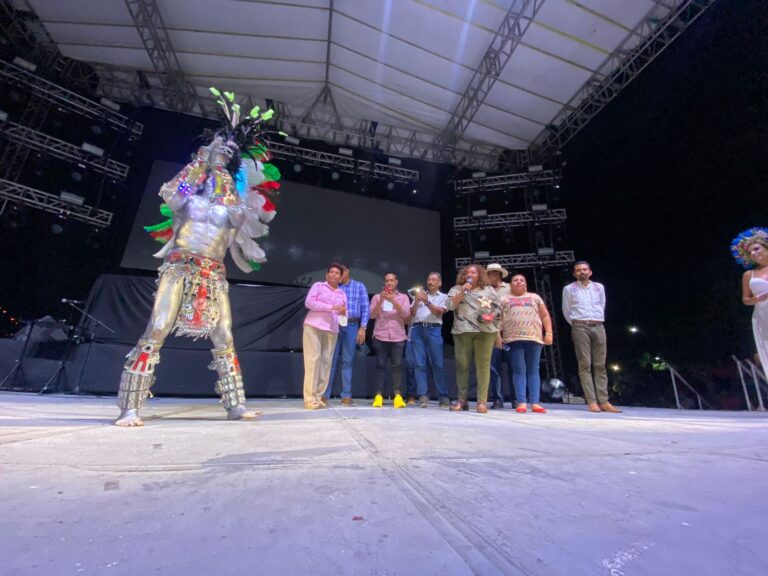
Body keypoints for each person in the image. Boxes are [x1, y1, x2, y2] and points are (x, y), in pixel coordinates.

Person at [114, 91, 281, 426]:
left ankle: (235, 406)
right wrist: (202, 161)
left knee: (225, 335)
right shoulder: (188, 200)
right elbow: (172, 194)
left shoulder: (230, 205)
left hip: (213, 274)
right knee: (158, 327)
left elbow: (235, 213)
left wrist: (221, 167)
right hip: (179, 267)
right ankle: (130, 408)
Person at [562, 261, 621, 413]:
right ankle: (592, 401)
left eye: (584, 269)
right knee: (585, 364)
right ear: (575, 274)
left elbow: (602, 304)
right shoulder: (569, 289)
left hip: (598, 325)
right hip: (580, 325)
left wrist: (596, 319)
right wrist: (577, 323)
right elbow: (566, 310)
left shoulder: (598, 287)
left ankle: (604, 400)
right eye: (578, 270)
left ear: (590, 272)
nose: (582, 272)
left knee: (600, 364)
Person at [446, 264, 501, 413]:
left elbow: (499, 308)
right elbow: (450, 305)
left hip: (486, 331)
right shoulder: (456, 289)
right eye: (467, 272)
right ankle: (462, 400)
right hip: (462, 331)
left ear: (480, 275)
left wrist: (492, 316)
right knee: (462, 365)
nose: (469, 274)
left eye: (473, 272)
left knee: (483, 366)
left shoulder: (489, 290)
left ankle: (481, 401)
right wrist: (464, 290)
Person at [500, 274, 553, 413]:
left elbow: (545, 315)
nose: (518, 282)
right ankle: (522, 402)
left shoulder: (535, 297)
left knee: (533, 369)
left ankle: (535, 402)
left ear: (526, 284)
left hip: (534, 337)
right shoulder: (504, 299)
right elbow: (498, 319)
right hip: (513, 338)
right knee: (519, 369)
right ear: (510, 285)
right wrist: (497, 336)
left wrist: (549, 332)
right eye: (515, 280)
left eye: (521, 280)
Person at [302, 263, 347, 409]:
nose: (334, 274)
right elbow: (309, 303)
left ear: (341, 278)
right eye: (331, 272)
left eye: (337, 273)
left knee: (326, 363)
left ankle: (319, 396)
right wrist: (331, 307)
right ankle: (309, 399)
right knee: (313, 361)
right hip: (314, 325)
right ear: (327, 275)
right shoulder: (318, 286)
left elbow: (344, 316)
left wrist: (343, 313)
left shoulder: (342, 293)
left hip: (332, 329)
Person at [325, 265, 369, 406]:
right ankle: (324, 395)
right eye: (335, 272)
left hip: (351, 326)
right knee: (330, 359)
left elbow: (365, 308)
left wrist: (362, 328)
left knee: (347, 361)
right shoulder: (333, 288)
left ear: (347, 272)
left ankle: (346, 395)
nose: (338, 274)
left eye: (340, 272)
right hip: (334, 324)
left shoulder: (359, 286)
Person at [409, 272, 450, 408]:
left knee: (437, 363)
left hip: (433, 330)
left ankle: (443, 395)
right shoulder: (419, 295)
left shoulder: (444, 297)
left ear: (439, 283)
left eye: (434, 280)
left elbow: (439, 312)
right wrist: (416, 301)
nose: (431, 282)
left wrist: (427, 302)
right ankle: (423, 396)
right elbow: (412, 313)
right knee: (419, 364)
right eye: (429, 279)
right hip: (417, 330)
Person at [369, 272, 411, 408]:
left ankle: (398, 395)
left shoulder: (403, 297)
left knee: (397, 366)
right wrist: (382, 300)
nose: (389, 283)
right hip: (380, 336)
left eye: (392, 280)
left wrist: (393, 301)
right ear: (384, 283)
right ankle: (379, 395)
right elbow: (372, 315)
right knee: (380, 365)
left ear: (396, 282)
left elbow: (405, 314)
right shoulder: (376, 297)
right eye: (387, 281)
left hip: (398, 336)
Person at [733, 228, 768, 379]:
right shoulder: (749, 275)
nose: (753, 253)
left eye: (756, 249)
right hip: (763, 315)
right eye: (750, 253)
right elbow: (746, 300)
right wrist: (758, 299)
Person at [486, 263, 511, 408]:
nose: (489, 276)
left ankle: (517, 399)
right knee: (493, 367)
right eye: (487, 274)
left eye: (491, 274)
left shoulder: (508, 288)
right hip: (491, 331)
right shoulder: (484, 290)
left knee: (514, 366)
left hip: (509, 331)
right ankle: (497, 398)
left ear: (498, 274)